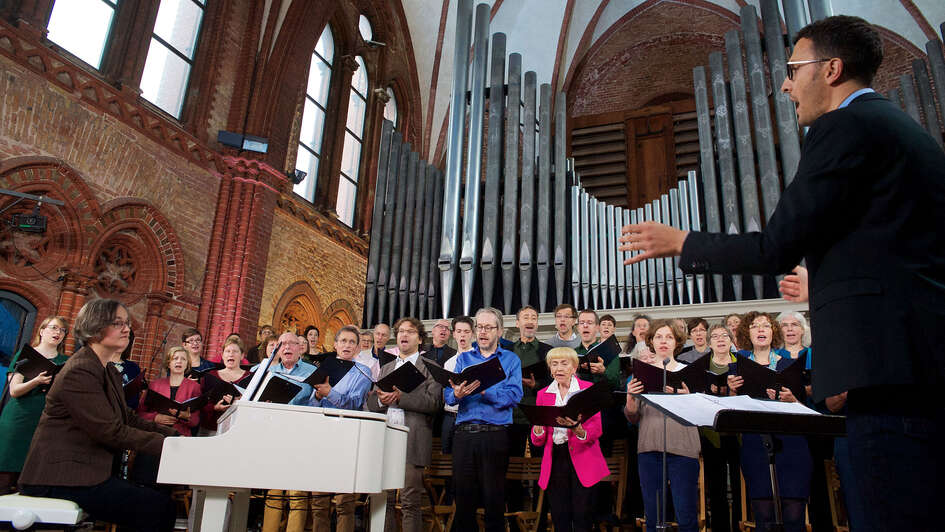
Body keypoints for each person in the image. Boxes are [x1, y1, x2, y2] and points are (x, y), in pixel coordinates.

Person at [622, 17, 945, 529]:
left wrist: (683, 242)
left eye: (795, 69)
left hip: (887, 377)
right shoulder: (905, 131)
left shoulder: (845, 125)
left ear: (832, 69)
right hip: (915, 367)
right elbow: (899, 254)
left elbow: (775, 245)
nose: (786, 84)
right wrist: (828, 286)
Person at [18, 299, 177, 531]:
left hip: (81, 473)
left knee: (157, 504)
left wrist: (174, 436)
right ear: (94, 327)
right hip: (59, 476)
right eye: (118, 323)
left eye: (127, 323)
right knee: (158, 508)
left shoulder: (107, 370)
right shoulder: (80, 369)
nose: (127, 329)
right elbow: (110, 430)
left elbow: (128, 418)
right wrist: (171, 446)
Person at [444, 307, 523, 532]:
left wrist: (483, 392)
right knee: (464, 500)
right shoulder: (464, 358)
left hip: (495, 435)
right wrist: (457, 394)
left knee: (494, 499)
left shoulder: (511, 359)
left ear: (500, 331)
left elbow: (514, 396)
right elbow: (449, 396)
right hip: (464, 435)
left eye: (489, 327)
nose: (483, 332)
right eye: (480, 327)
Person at [624, 320, 700, 532]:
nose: (663, 341)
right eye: (658, 336)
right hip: (650, 448)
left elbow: (701, 415)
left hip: (683, 449)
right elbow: (633, 417)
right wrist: (630, 399)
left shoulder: (690, 372)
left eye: (668, 337)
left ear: (677, 342)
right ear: (651, 342)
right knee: (653, 517)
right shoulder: (642, 372)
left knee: (686, 515)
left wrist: (688, 398)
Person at [367, 318, 442, 532]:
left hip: (413, 439)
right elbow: (371, 402)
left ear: (420, 338)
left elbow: (434, 403)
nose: (404, 335)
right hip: (386, 439)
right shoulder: (387, 367)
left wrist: (401, 397)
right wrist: (382, 400)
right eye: (400, 331)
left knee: (410, 502)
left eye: (410, 331)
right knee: (385, 501)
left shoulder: (430, 367)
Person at [530, 347, 609, 532]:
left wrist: (578, 429)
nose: (559, 368)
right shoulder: (543, 394)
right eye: (554, 364)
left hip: (583, 458)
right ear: (550, 369)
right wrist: (538, 430)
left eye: (564, 364)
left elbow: (596, 429)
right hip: (556, 459)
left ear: (574, 368)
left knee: (582, 518)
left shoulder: (587, 390)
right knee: (560, 517)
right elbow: (537, 441)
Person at [308, 325, 373, 532]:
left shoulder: (364, 371)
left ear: (357, 348)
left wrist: (328, 393)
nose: (347, 345)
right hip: (322, 436)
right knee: (319, 502)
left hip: (347, 438)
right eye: (343, 341)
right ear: (335, 345)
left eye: (352, 342)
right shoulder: (324, 368)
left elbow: (354, 404)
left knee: (344, 503)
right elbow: (312, 406)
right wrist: (318, 396)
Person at [0, 316, 70, 494]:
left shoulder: (66, 360)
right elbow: (14, 390)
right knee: (5, 477)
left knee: (31, 478)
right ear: (41, 330)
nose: (58, 333)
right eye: (54, 328)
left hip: (46, 421)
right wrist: (37, 381)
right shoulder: (27, 355)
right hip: (19, 420)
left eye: (62, 330)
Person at [701, 324, 741, 532]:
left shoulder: (741, 364)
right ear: (709, 343)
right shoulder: (702, 367)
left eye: (724, 335)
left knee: (739, 484)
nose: (720, 339)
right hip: (712, 431)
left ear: (731, 340)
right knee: (715, 486)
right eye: (715, 336)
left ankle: (739, 524)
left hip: (738, 432)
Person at [137, 346, 202, 437]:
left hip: (181, 436)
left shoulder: (195, 387)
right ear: (168, 363)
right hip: (155, 435)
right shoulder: (154, 385)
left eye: (183, 359)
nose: (179, 361)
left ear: (187, 364)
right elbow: (140, 413)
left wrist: (184, 416)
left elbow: (195, 421)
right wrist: (155, 418)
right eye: (175, 358)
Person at [201, 337, 252, 435]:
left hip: (238, 430)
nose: (231, 354)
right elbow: (201, 404)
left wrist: (241, 401)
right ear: (223, 355)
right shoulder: (210, 376)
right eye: (227, 351)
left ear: (242, 356)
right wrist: (214, 407)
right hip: (211, 428)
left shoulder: (250, 378)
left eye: (235, 351)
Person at [440, 316, 474, 454]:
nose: (462, 335)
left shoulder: (478, 359)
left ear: (472, 333)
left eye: (466, 331)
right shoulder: (449, 363)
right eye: (459, 331)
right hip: (449, 416)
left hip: (468, 416)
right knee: (446, 455)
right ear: (453, 334)